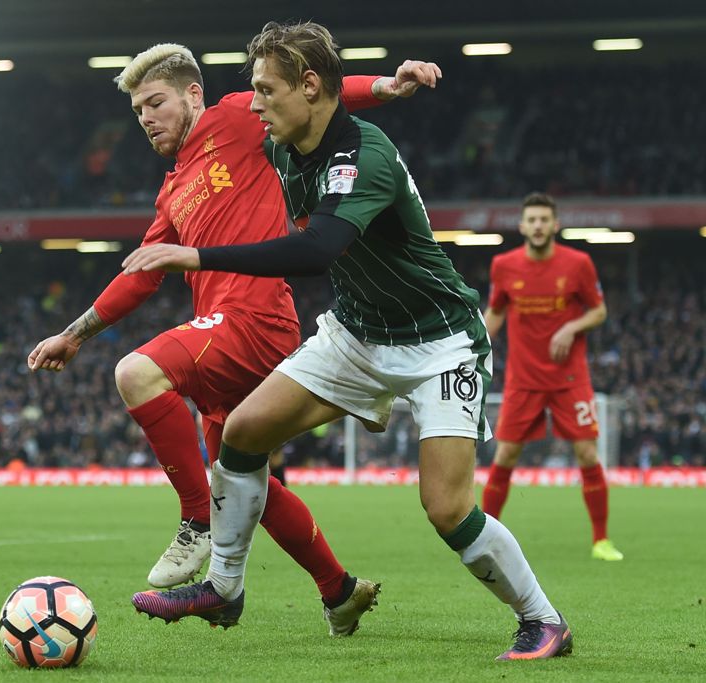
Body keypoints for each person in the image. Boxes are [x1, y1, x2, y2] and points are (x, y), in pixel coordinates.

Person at [123, 21, 571, 661]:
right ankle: (223, 585)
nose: (253, 104)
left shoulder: (366, 155)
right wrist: (386, 83)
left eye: (264, 91)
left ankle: (543, 620)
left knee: (447, 509)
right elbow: (337, 92)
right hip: (358, 334)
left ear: (308, 88)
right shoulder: (282, 145)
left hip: (439, 341)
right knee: (244, 433)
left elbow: (318, 248)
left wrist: (194, 255)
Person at [29, 43, 440, 634]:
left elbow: (311, 93)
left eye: (156, 102)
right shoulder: (172, 193)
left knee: (137, 373)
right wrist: (74, 333)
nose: (146, 118)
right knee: (248, 483)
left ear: (192, 95)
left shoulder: (232, 117)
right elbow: (141, 274)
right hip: (224, 334)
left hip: (254, 321)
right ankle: (340, 591)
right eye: (138, 110)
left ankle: (197, 521)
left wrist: (384, 88)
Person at [482, 192, 622, 561]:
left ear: (556, 224)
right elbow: (494, 314)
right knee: (506, 454)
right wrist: (475, 346)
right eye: (533, 220)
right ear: (522, 226)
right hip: (523, 378)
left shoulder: (578, 264)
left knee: (587, 453)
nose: (539, 225)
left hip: (569, 378)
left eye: (545, 219)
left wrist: (570, 328)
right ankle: (483, 541)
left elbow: (600, 311)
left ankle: (601, 540)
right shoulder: (504, 266)